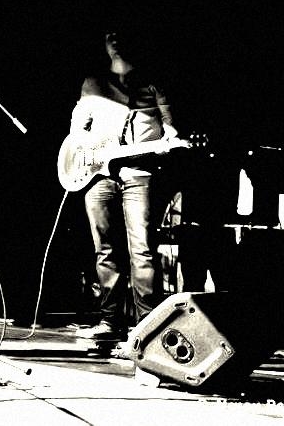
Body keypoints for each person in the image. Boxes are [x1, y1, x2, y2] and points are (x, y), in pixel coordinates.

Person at [70, 29, 180, 340]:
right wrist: (88, 151)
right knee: (105, 250)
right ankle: (110, 322)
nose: (116, 41)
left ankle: (148, 329)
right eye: (110, 36)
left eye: (121, 35)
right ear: (105, 44)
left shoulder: (153, 82)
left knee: (142, 250)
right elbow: (77, 130)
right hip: (98, 175)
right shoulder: (93, 84)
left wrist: (168, 142)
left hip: (139, 173)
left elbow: (171, 130)